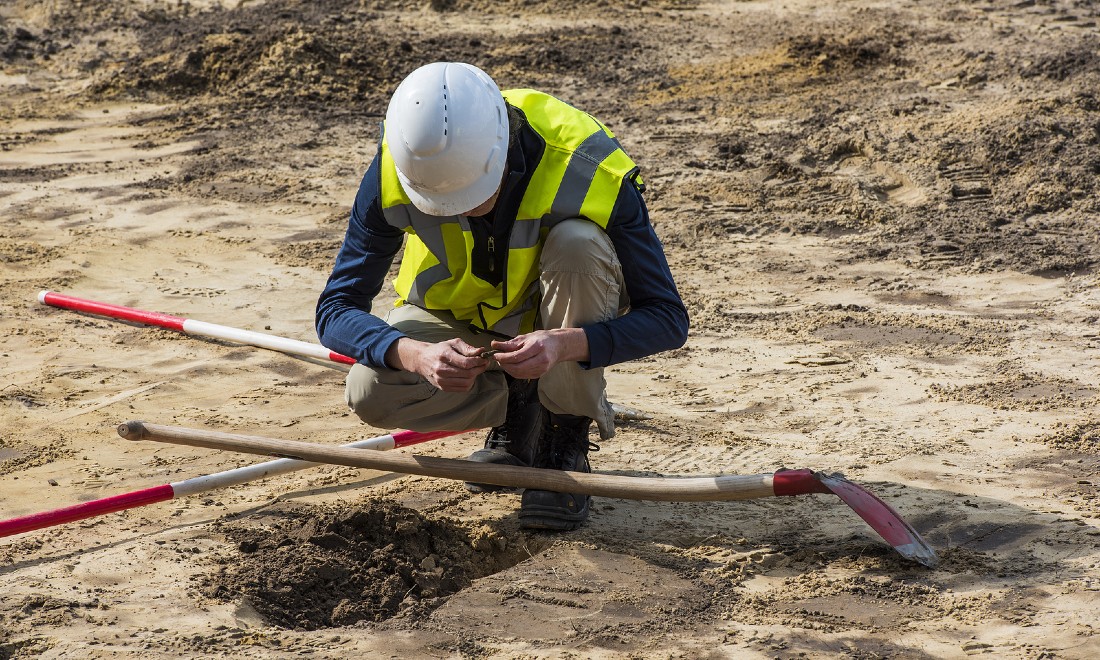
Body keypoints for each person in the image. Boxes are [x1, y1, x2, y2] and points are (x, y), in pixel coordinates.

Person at [316, 61, 688, 530]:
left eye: (473, 194)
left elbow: (668, 319)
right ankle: (520, 409)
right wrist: (414, 354)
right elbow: (336, 308)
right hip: (455, 322)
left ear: (504, 151)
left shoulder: (589, 166)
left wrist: (562, 346)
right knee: (369, 389)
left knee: (578, 244)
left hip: (558, 324)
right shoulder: (398, 165)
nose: (462, 210)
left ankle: (561, 440)